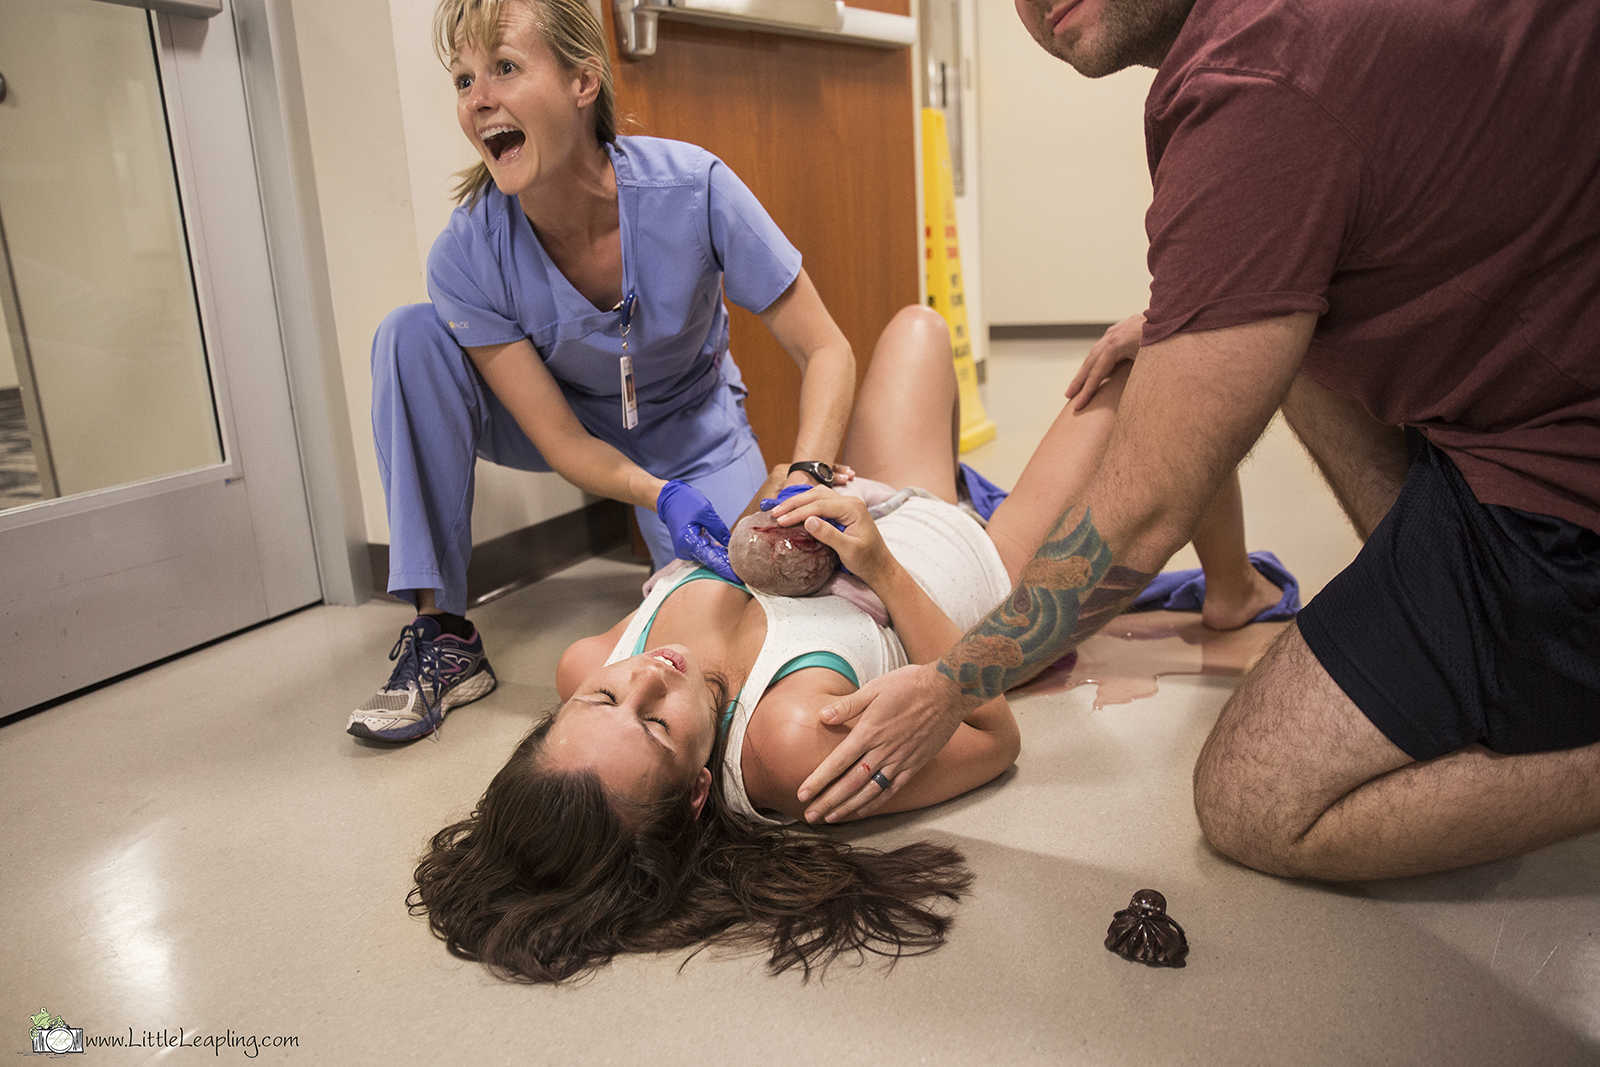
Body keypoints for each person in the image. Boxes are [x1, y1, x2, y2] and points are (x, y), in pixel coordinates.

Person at [795, 0, 1600, 883]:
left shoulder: (1254, 76)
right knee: (1243, 348)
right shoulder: (1286, 53)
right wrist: (1207, 309)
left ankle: (1498, 649)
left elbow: (1142, 513)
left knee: (1252, 798)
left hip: (1562, 482)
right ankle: (1377, 612)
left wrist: (950, 687)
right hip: (1549, 374)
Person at [411, 303, 1259, 982]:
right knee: (1163, 370)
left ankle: (963, 485)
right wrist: (884, 571)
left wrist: (781, 504)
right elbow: (992, 736)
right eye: (657, 723)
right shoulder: (787, 748)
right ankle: (1232, 593)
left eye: (605, 696)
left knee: (917, 328)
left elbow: (735, 605)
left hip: (881, 502)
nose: (646, 677)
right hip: (970, 571)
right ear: (701, 793)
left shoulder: (586, 664)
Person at [349, 0, 869, 742]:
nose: (478, 99)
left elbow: (827, 348)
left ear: (583, 81)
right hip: (563, 421)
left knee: (752, 601)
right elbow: (561, 442)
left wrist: (809, 471)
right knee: (409, 337)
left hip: (693, 426)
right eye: (463, 80)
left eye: (503, 67)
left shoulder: (694, 188)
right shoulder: (467, 253)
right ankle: (443, 634)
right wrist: (657, 496)